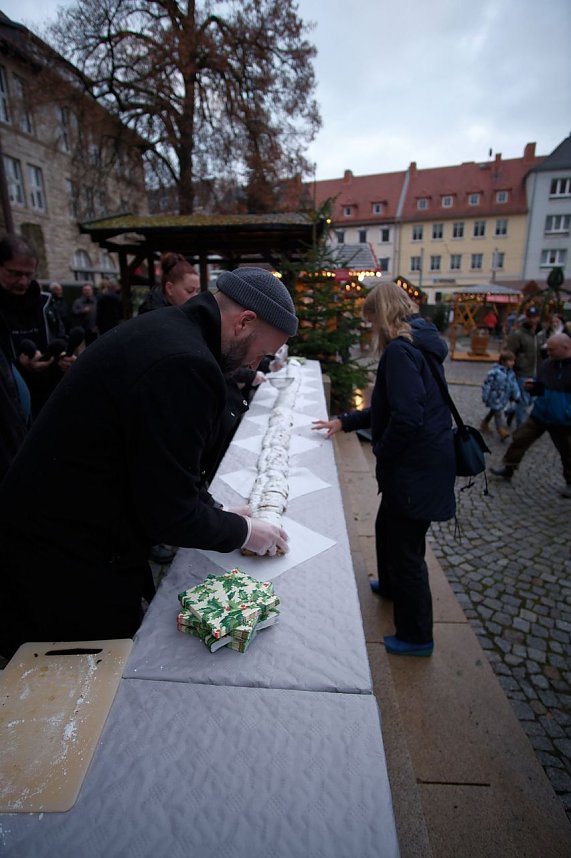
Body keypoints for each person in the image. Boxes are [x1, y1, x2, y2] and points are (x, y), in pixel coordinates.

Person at [0, 267, 297, 659]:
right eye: (262, 352)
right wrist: (244, 533)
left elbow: (162, 463)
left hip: (66, 529)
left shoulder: (173, 331)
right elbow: (167, 512)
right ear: (244, 322)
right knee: (86, 676)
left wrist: (219, 511)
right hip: (62, 560)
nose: (255, 363)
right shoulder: (184, 363)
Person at [312, 281, 456, 657]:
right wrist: (345, 420)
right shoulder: (422, 341)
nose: (369, 326)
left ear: (382, 312)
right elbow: (393, 408)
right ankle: (390, 585)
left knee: (407, 549)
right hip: (425, 462)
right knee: (387, 526)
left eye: (371, 317)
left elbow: (406, 417)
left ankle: (416, 635)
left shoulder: (399, 350)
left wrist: (382, 449)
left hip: (415, 466)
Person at [0, 234, 75, 418]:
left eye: (29, 274)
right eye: (15, 274)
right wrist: (18, 367)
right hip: (10, 408)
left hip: (52, 399)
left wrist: (65, 359)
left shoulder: (46, 303)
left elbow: (61, 338)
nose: (23, 281)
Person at [491, 333, 571, 498]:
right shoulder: (547, 365)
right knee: (520, 438)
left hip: (563, 420)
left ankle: (570, 482)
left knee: (567, 451)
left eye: (552, 350)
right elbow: (541, 386)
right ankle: (508, 468)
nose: (549, 353)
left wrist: (567, 413)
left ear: (566, 348)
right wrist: (532, 387)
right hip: (540, 414)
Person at [506, 306, 546, 427]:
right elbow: (510, 352)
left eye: (535, 317)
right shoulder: (518, 334)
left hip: (537, 372)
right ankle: (521, 429)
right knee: (523, 401)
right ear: (527, 317)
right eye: (530, 317)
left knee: (531, 401)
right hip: (522, 372)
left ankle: (511, 411)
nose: (533, 320)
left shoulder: (541, 334)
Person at [480, 350, 520, 441]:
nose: (512, 363)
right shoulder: (494, 372)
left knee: (493, 411)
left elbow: (514, 385)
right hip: (494, 397)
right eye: (510, 361)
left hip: (503, 397)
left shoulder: (511, 373)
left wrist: (516, 395)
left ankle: (485, 423)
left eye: (513, 361)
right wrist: (485, 396)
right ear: (503, 361)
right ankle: (501, 430)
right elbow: (487, 384)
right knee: (497, 413)